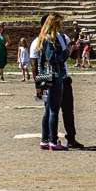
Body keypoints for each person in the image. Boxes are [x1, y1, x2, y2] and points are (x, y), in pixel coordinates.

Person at [35, 13, 68, 151]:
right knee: (54, 109)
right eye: (59, 23)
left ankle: (45, 140)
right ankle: (53, 142)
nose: (61, 26)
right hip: (53, 75)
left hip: (45, 74)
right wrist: (66, 52)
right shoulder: (50, 39)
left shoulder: (42, 38)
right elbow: (51, 57)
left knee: (48, 109)